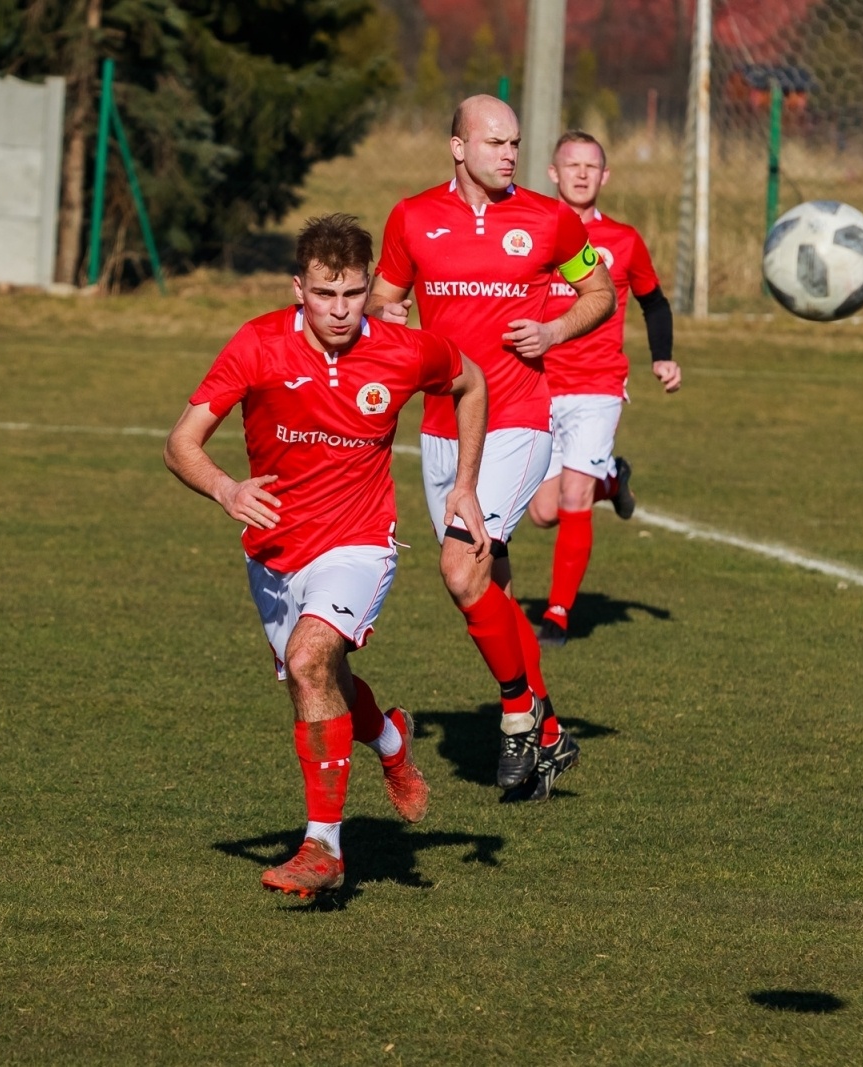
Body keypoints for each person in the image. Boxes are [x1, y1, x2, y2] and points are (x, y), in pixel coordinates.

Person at [164, 214, 489, 897]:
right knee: (318, 681)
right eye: (323, 294)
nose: (339, 310)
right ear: (298, 290)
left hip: (359, 540)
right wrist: (226, 489)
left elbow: (472, 383)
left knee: (311, 660)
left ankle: (324, 848)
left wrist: (464, 485)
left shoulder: (402, 350)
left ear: (369, 287)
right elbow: (181, 443)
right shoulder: (258, 344)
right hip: (275, 551)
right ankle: (391, 741)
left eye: (352, 293)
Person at [367, 94, 615, 801]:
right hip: (441, 427)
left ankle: (516, 715)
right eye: (494, 142)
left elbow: (598, 291)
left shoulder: (549, 219)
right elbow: (384, 299)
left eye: (514, 143)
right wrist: (387, 317)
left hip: (518, 419)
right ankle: (550, 731)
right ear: (458, 147)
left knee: (458, 566)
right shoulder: (411, 217)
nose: (508, 154)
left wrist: (554, 332)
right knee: (487, 588)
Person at [525, 130, 681, 647]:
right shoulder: (532, 233)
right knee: (543, 512)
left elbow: (653, 302)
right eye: (572, 165)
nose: (581, 174)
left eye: (591, 166)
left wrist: (662, 357)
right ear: (553, 173)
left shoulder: (623, 240)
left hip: (597, 386)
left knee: (574, 496)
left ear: (605, 176)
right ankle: (612, 481)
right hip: (539, 384)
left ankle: (558, 615)